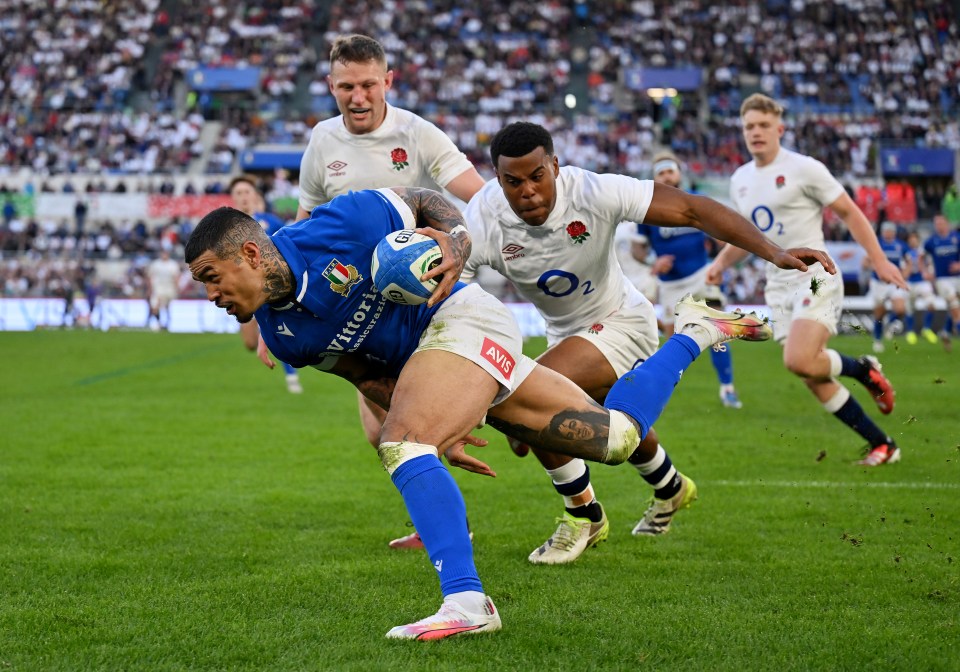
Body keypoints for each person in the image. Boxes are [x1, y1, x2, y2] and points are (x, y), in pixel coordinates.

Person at [185, 186, 829, 639]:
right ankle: (697, 329)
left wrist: (454, 241)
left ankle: (465, 600)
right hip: (447, 366)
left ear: (248, 253)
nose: (211, 296)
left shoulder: (340, 225)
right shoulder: (286, 336)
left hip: (462, 317)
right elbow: (369, 376)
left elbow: (425, 204)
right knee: (612, 437)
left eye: (211, 277)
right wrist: (440, 420)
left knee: (403, 445)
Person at [461, 122, 813, 565]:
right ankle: (670, 488)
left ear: (555, 166)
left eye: (537, 176)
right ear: (497, 178)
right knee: (573, 426)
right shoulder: (481, 219)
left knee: (528, 400)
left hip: (621, 320)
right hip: (564, 334)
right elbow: (457, 299)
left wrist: (772, 251)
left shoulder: (594, 192)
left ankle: (583, 516)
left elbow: (691, 210)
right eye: (513, 181)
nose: (527, 191)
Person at [293, 33, 487, 546]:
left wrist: (472, 236)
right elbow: (307, 220)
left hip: (426, 298)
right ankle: (443, 519)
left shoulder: (418, 134)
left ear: (388, 82)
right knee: (381, 432)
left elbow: (475, 193)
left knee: (409, 424)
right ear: (331, 85)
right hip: (360, 303)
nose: (358, 97)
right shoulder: (322, 140)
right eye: (346, 87)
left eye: (368, 85)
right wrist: (284, 298)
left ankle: (570, 493)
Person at [707, 93, 907, 467]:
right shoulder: (741, 179)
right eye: (749, 126)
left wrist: (878, 259)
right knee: (812, 374)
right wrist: (720, 263)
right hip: (777, 283)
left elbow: (849, 212)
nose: (756, 132)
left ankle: (863, 370)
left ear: (780, 128)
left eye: (764, 125)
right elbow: (751, 237)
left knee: (799, 359)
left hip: (816, 274)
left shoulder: (805, 168)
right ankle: (884, 445)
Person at [635, 150, 743, 409]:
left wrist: (721, 249)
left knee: (719, 329)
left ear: (679, 174)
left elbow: (720, 235)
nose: (667, 175)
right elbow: (637, 249)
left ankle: (727, 388)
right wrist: (653, 261)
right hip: (671, 285)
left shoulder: (696, 203)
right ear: (655, 177)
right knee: (674, 343)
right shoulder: (646, 211)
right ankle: (658, 392)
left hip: (701, 274)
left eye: (670, 170)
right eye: (661, 172)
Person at [229, 175, 303, 394]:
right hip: (243, 290)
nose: (243, 197)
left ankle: (292, 377)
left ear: (255, 196)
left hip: (271, 287)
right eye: (239, 193)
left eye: (247, 192)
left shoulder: (269, 221)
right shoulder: (227, 227)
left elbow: (289, 242)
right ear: (233, 198)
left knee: (280, 332)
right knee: (250, 343)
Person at [865, 222, 909, 353]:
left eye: (890, 231)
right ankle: (878, 340)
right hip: (879, 283)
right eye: (886, 231)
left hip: (894, 282)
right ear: (883, 232)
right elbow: (866, 261)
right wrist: (876, 268)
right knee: (879, 313)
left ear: (894, 232)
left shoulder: (901, 245)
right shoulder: (876, 244)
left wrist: (903, 276)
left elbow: (909, 262)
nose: (888, 233)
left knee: (900, 309)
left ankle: (890, 325)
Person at [924, 213, 960, 351]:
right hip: (942, 279)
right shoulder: (931, 241)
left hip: (957, 277)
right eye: (936, 223)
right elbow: (920, 256)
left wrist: (958, 265)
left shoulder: (956, 237)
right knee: (955, 306)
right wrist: (926, 271)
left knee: (955, 309)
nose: (938, 225)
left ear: (947, 223)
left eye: (941, 223)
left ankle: (945, 331)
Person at [901, 230, 938, 345]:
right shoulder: (905, 253)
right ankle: (910, 332)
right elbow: (904, 273)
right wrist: (909, 266)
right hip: (910, 282)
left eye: (914, 239)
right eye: (910, 240)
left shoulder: (924, 253)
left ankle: (926, 329)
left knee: (931, 304)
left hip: (922, 282)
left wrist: (926, 271)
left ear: (918, 240)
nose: (912, 241)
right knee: (910, 308)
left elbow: (930, 268)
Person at [145, 248, 182, 331]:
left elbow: (176, 277)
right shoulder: (155, 264)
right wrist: (149, 289)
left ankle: (167, 323)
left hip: (169, 289)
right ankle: (158, 322)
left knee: (166, 307)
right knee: (155, 305)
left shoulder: (173, 264)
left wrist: (177, 288)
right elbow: (150, 277)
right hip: (157, 288)